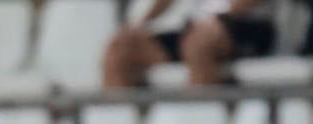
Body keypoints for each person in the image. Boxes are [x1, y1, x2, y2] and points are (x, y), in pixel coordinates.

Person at [103, 0, 275, 89]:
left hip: (247, 23)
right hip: (197, 28)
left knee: (199, 43)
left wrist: (224, 15)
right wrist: (140, 24)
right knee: (122, 48)